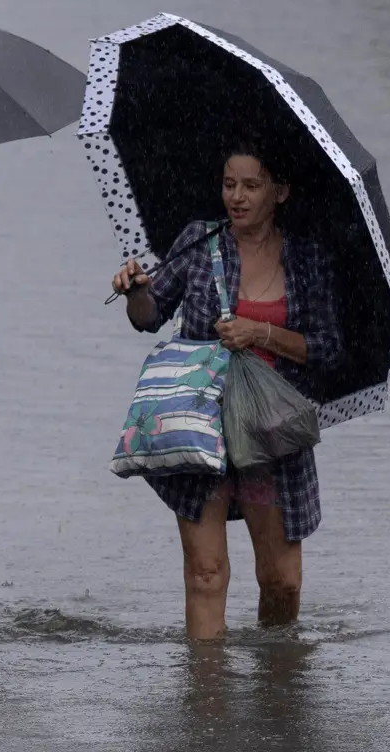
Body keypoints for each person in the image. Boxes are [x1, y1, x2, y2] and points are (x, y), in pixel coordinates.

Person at [110, 143, 344, 640]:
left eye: (251, 186)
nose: (236, 197)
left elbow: (326, 348)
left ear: (280, 192)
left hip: (271, 432)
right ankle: (206, 684)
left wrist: (260, 334)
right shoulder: (199, 242)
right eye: (229, 184)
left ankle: (276, 674)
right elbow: (148, 317)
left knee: (282, 581)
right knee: (205, 573)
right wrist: (136, 292)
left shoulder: (306, 257)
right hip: (201, 427)